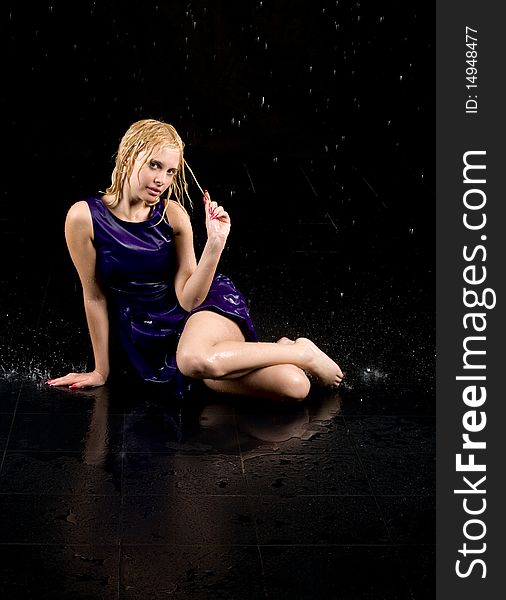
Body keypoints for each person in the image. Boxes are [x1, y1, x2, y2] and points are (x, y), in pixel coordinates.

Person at [46, 119, 343, 401]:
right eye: (154, 166)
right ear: (127, 157)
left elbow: (190, 300)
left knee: (191, 358)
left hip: (203, 311)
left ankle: (304, 352)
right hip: (153, 335)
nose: (161, 180)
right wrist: (101, 370)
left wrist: (215, 244)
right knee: (294, 386)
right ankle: (285, 352)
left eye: (171, 171)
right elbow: (94, 296)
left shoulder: (173, 215)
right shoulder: (83, 218)